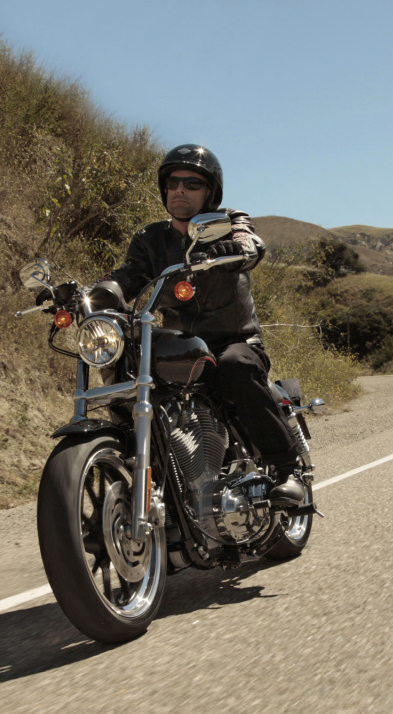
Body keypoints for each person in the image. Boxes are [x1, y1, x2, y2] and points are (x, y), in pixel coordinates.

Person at [105, 144, 305, 505]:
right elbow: (128, 276)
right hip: (180, 345)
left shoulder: (228, 221)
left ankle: (287, 468)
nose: (180, 189)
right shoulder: (150, 239)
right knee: (126, 365)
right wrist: (97, 293)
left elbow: (250, 242)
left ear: (210, 192)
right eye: (173, 182)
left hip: (233, 340)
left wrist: (230, 251)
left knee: (234, 367)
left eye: (192, 183)